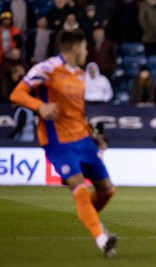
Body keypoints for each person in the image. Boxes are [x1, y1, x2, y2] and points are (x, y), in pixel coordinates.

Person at [9, 29, 118, 257]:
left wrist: (92, 134)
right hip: (58, 142)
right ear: (75, 47)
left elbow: (78, 111)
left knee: (107, 191)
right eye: (85, 47)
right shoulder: (47, 69)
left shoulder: (79, 75)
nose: (87, 51)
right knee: (79, 189)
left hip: (82, 139)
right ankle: (101, 237)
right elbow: (17, 94)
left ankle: (87, 217)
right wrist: (40, 106)